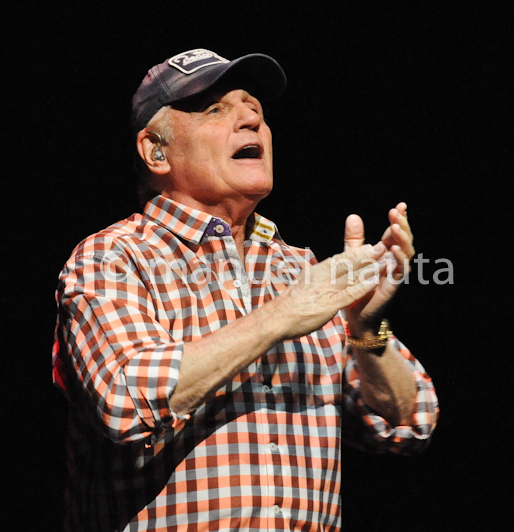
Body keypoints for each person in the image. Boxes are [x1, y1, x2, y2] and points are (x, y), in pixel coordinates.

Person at [52, 48, 439, 532]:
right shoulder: (113, 257)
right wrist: (280, 316)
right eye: (217, 109)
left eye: (255, 108)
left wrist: (366, 329)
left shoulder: (302, 269)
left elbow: (410, 421)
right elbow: (124, 401)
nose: (251, 118)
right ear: (155, 152)